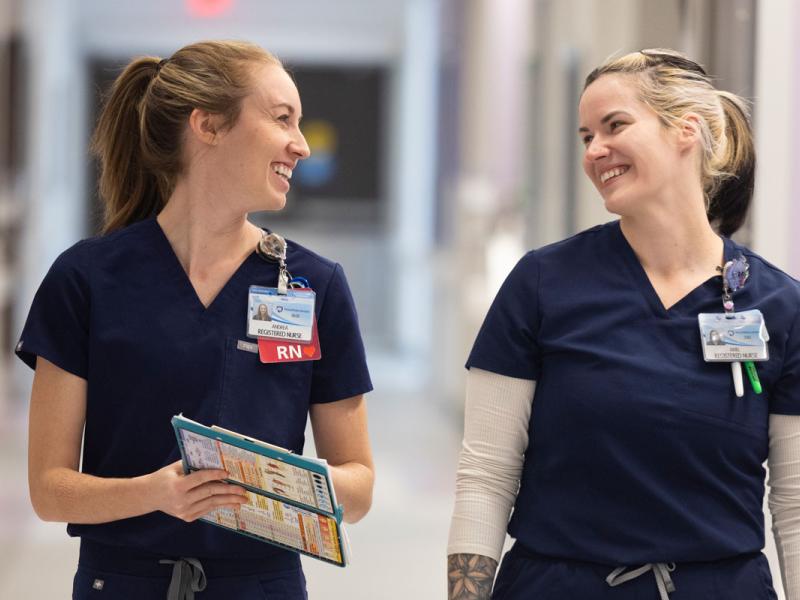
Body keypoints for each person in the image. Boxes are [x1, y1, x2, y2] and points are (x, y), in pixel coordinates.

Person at [17, 40, 374, 600]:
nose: (301, 145)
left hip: (262, 586)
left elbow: (359, 486)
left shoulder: (312, 286)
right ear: (208, 126)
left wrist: (273, 484)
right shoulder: (86, 279)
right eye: (283, 119)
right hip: (122, 584)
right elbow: (48, 490)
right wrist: (154, 494)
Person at [447, 48, 800, 600]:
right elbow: (486, 475)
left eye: (615, 126)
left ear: (686, 130)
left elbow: (795, 502)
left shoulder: (778, 305)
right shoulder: (543, 282)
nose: (595, 151)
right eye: (586, 135)